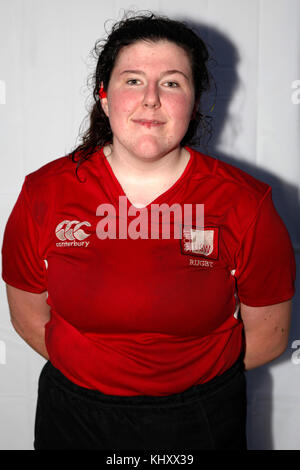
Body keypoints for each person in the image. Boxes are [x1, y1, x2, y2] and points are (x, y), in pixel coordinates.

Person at [1, 12, 296, 451]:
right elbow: (26, 313)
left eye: (173, 82)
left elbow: (268, 337)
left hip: (200, 419)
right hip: (75, 416)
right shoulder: (45, 192)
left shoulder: (245, 203)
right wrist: (99, 373)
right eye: (133, 80)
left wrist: (177, 386)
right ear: (104, 96)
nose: (152, 99)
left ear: (194, 103)